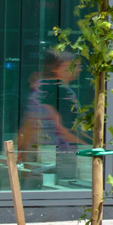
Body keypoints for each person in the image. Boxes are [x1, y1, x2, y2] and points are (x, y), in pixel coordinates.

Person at [15, 50, 85, 183]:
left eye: (78, 65)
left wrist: (22, 150)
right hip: (59, 151)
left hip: (42, 151)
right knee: (65, 183)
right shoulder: (61, 92)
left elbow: (27, 123)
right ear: (56, 68)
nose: (78, 69)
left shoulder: (39, 88)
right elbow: (67, 130)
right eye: (72, 65)